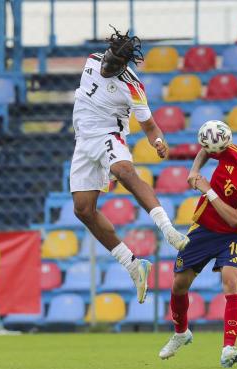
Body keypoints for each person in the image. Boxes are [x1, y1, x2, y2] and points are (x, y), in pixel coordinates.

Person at [70, 26, 189, 304]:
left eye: (114, 65)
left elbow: (150, 126)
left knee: (123, 171)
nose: (107, 66)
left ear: (125, 65)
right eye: (107, 59)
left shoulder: (132, 86)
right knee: (83, 210)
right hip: (83, 142)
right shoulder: (92, 60)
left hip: (108, 136)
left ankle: (168, 229)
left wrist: (158, 141)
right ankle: (133, 264)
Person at [158, 136, 237, 368]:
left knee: (231, 280)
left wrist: (208, 190)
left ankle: (228, 347)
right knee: (178, 286)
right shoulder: (232, 151)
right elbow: (206, 150)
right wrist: (194, 171)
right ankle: (181, 333)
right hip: (202, 229)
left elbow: (234, 220)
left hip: (231, 235)